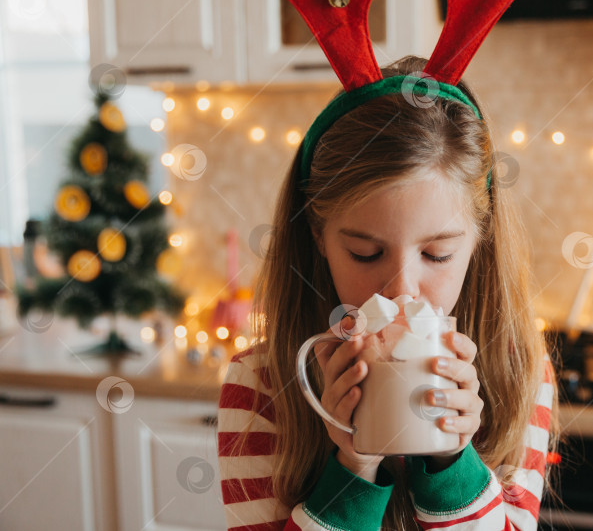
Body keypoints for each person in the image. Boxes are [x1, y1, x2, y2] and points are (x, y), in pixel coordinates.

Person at [216, 51, 558, 530]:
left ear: (480, 238)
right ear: (318, 235)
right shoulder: (260, 386)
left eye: (437, 255)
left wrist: (451, 462)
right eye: (365, 254)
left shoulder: (520, 370)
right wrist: (353, 465)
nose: (402, 292)